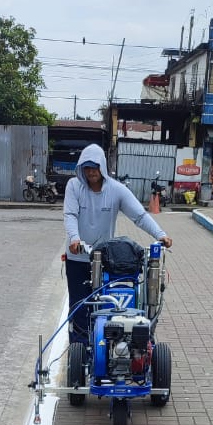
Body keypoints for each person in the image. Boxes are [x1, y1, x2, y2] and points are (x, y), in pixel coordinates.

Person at [63, 144, 172, 340]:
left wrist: (160, 234)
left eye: (94, 167)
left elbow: (139, 215)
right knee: (79, 306)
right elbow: (70, 214)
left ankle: (104, 345)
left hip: (102, 259)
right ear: (81, 168)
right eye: (87, 168)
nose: (91, 172)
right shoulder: (74, 186)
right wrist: (74, 238)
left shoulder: (116, 190)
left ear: (102, 167)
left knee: (105, 303)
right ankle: (79, 348)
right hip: (78, 256)